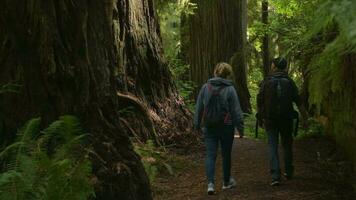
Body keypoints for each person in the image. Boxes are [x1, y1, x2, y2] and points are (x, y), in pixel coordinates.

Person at [194, 62, 244, 195]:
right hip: (226, 127)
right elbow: (236, 111)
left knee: (210, 155)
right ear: (228, 75)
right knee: (226, 154)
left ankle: (210, 184)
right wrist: (240, 128)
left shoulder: (206, 87)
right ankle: (226, 182)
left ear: (215, 72)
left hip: (209, 126)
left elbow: (199, 108)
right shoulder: (230, 89)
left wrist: (197, 125)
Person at [257, 57, 301, 186]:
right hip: (287, 119)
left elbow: (260, 101)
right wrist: (305, 117)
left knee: (272, 146)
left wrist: (261, 117)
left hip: (270, 120)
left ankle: (275, 176)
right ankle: (288, 171)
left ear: (275, 67)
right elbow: (298, 99)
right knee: (287, 144)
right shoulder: (289, 82)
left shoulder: (266, 82)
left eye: (272, 64)